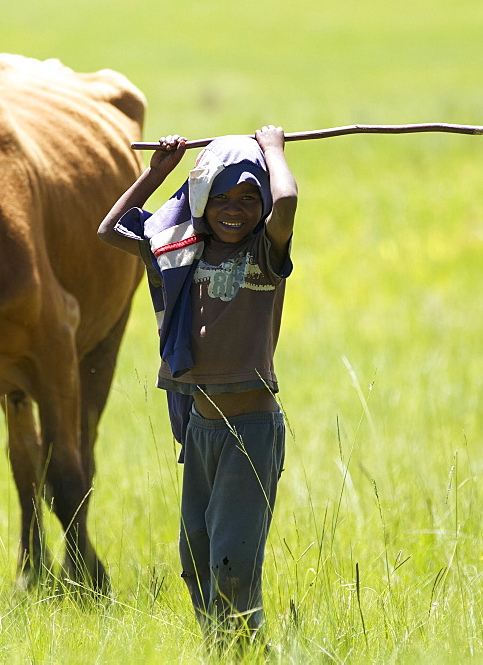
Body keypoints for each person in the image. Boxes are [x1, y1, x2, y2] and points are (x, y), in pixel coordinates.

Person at [97, 126, 298, 642]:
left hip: (249, 433)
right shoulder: (177, 252)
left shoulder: (264, 255)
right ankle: (223, 650)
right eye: (222, 197)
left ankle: (247, 650)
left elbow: (288, 202)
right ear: (202, 199)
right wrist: (157, 172)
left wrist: (272, 150)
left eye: (249, 197)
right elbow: (111, 229)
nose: (235, 209)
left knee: (233, 565)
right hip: (202, 432)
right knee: (197, 561)